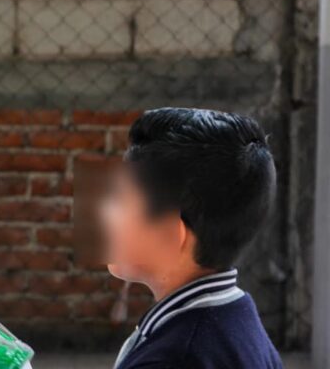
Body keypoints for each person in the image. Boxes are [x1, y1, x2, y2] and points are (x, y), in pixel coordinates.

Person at [99, 107, 283, 369]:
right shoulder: (236, 315)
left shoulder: (174, 358)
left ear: (168, 235)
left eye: (120, 199)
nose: (104, 211)